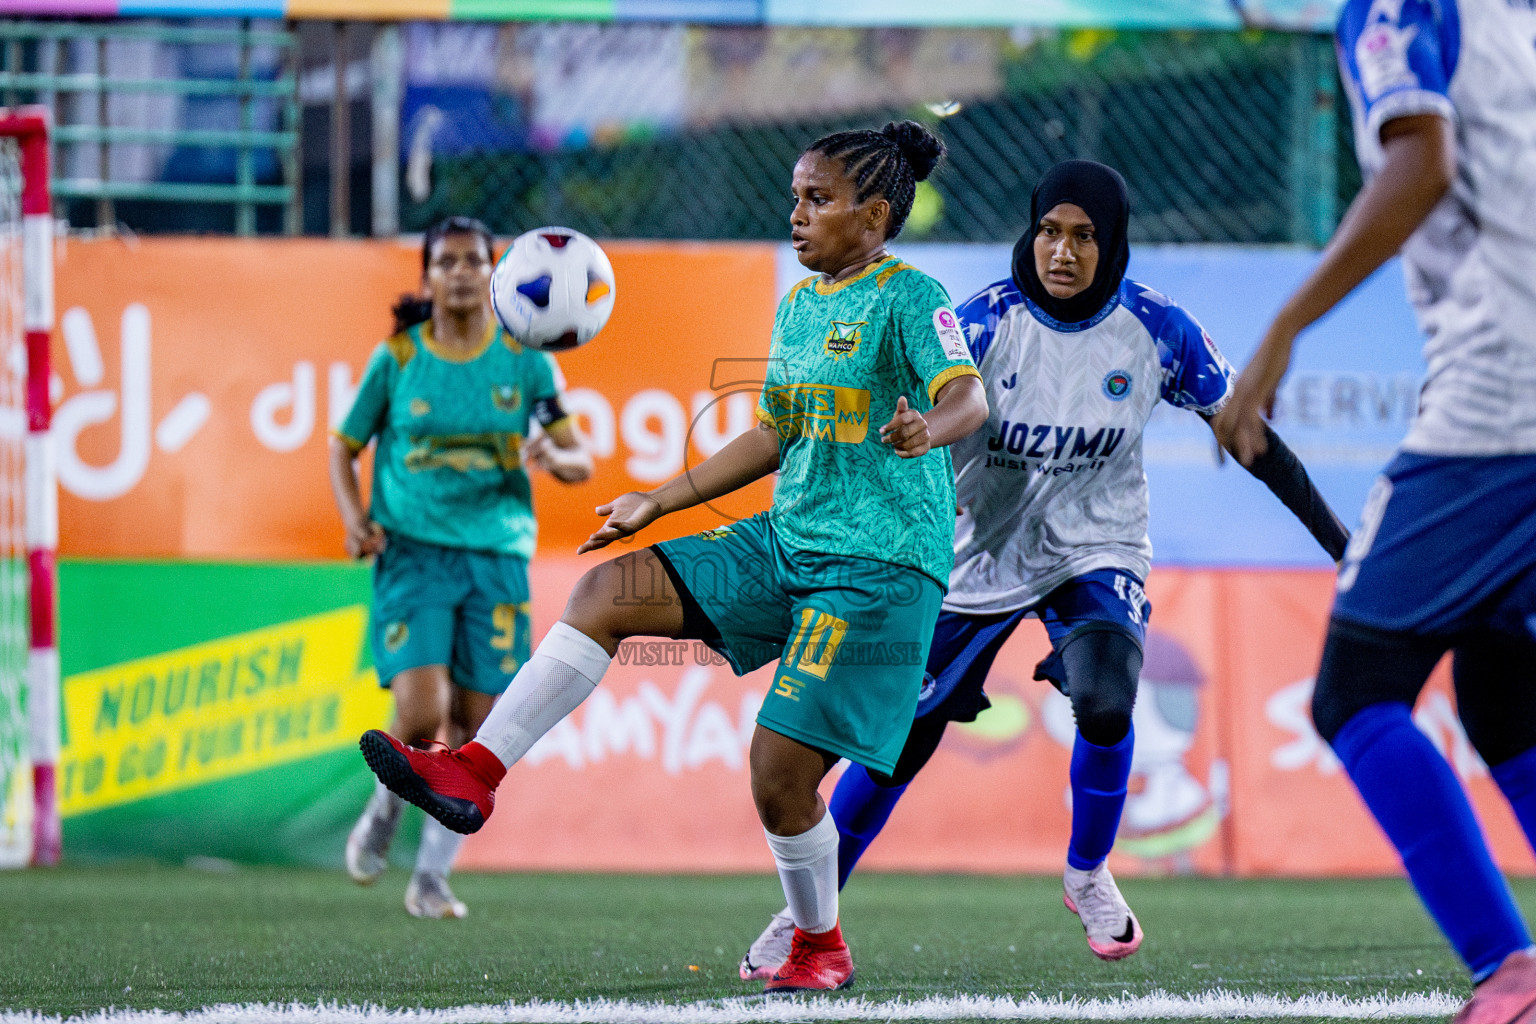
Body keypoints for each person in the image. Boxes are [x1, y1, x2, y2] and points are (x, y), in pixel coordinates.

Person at [358, 121, 988, 993]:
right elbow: (775, 431)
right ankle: (475, 772)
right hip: (787, 541)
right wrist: (661, 497)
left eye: (818, 200)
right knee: (606, 591)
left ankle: (818, 946)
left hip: (877, 568)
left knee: (778, 774)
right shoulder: (800, 305)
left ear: (874, 216)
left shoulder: (912, 297)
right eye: (794, 196)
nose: (796, 214)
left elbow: (968, 397)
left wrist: (930, 426)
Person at [737, 159, 1349, 975]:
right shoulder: (980, 323)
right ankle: (807, 917)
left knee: (1105, 702)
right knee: (896, 746)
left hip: (1095, 549)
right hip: (970, 556)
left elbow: (1250, 439)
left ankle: (1088, 874)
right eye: (1050, 232)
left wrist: (1345, 547)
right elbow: (904, 415)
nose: (1063, 252)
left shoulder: (1160, 330)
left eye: (1085, 237)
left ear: (1113, 242)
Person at [1214, 0, 1536, 1020]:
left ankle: (1509, 973)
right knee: (1500, 685)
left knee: (1355, 691)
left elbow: (1422, 162)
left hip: (1501, 403)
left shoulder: (1395, 8)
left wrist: (1283, 328)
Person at [332, 216, 593, 919]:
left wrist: (554, 458)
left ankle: (430, 879)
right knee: (421, 716)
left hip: (497, 556)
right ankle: (384, 816)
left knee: (477, 733)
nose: (459, 273)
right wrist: (356, 518)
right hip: (413, 552)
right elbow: (342, 446)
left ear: (495, 271)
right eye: (445, 261)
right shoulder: (398, 356)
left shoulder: (528, 359)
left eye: (473, 260)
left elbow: (579, 457)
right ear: (428, 275)